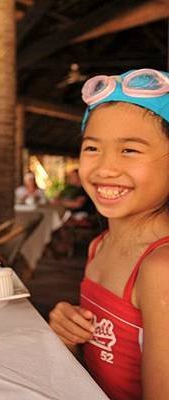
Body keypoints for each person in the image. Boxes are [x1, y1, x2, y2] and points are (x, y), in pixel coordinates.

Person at [48, 68, 169, 400]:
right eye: (91, 149)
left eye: (129, 150)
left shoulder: (162, 268)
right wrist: (69, 332)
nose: (104, 167)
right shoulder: (99, 245)